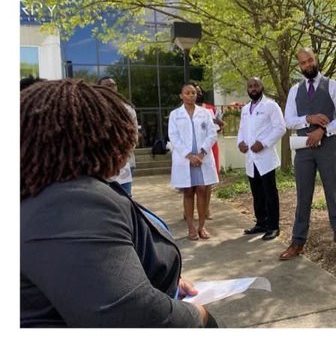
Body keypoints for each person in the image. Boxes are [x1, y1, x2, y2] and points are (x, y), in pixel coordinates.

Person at [21, 80, 212, 327]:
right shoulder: (73, 205)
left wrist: (161, 280)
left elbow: (96, 274)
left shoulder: (57, 191)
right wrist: (200, 316)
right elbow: (131, 314)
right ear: (102, 138)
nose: (133, 139)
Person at [279, 47, 336, 261]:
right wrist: (308, 119)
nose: (307, 65)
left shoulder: (333, 86)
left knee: (333, 193)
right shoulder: (295, 91)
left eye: (310, 60)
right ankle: (297, 242)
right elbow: (288, 121)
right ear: (299, 66)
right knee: (303, 195)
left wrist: (323, 130)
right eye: (303, 62)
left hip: (328, 146)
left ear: (316, 59)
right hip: (304, 148)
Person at [237, 76, 286, 241]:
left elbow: (280, 128)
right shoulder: (245, 109)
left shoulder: (271, 106)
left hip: (265, 157)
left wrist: (263, 143)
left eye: (256, 85)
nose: (253, 88)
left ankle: (273, 227)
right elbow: (242, 129)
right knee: (257, 193)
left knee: (270, 193)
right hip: (250, 157)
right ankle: (261, 223)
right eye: (250, 86)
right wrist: (240, 143)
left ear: (262, 87)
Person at [168, 83, 218, 240]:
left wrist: (201, 154)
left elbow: (212, 134)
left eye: (194, 93)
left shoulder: (205, 112)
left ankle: (202, 227)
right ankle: (191, 228)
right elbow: (173, 137)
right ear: (181, 95)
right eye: (187, 93)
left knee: (202, 190)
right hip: (185, 160)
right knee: (188, 192)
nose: (191, 95)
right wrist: (189, 156)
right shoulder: (175, 114)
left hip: (202, 158)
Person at [98, 77, 138, 197]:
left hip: (123, 161)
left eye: (113, 85)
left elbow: (134, 135)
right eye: (107, 85)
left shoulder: (127, 109)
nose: (111, 88)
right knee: (104, 198)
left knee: (124, 198)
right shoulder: (94, 109)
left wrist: (124, 153)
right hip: (102, 162)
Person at [194, 84, 223, 177]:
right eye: (195, 92)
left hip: (211, 144)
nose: (198, 94)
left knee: (212, 173)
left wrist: (217, 124)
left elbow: (219, 127)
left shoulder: (210, 108)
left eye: (199, 91)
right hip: (196, 145)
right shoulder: (188, 111)